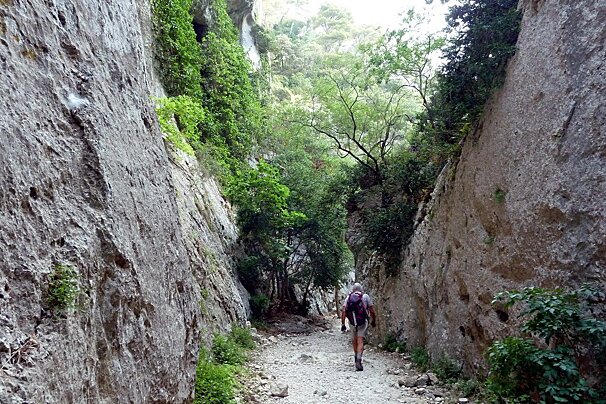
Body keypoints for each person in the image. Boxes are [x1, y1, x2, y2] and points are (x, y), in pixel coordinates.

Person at [341, 282, 376, 371]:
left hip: (352, 322)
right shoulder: (365, 297)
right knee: (360, 341)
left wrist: (343, 324)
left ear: (353, 290)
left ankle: (356, 356)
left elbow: (344, 311)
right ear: (361, 290)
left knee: (354, 340)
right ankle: (359, 359)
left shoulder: (349, 297)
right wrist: (373, 320)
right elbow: (372, 310)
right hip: (362, 322)